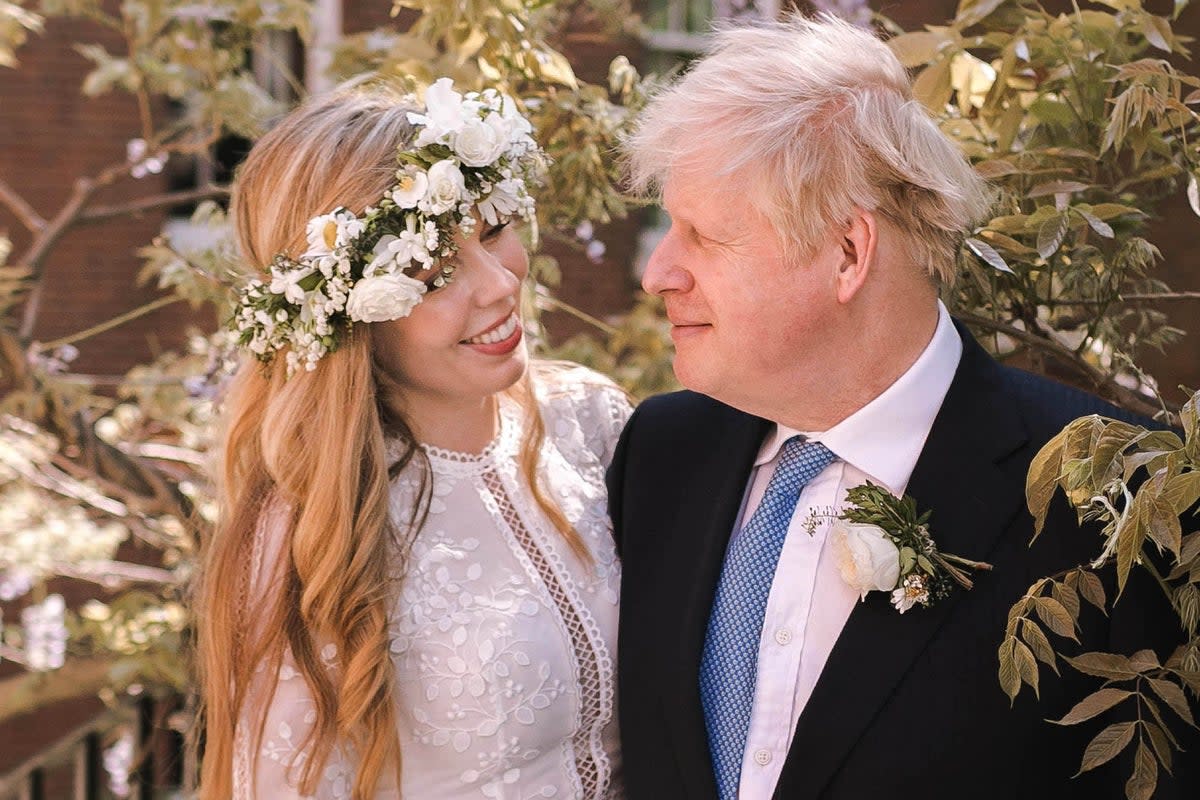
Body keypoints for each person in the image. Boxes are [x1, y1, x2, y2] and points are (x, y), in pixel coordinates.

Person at [607, 14, 1194, 800]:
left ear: (849, 252)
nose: (658, 273)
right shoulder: (661, 452)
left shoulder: (1113, 496)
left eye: (703, 237)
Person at [193, 79, 631, 799]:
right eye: (434, 274)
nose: (496, 284)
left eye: (491, 229)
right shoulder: (308, 537)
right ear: (344, 316)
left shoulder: (592, 419)